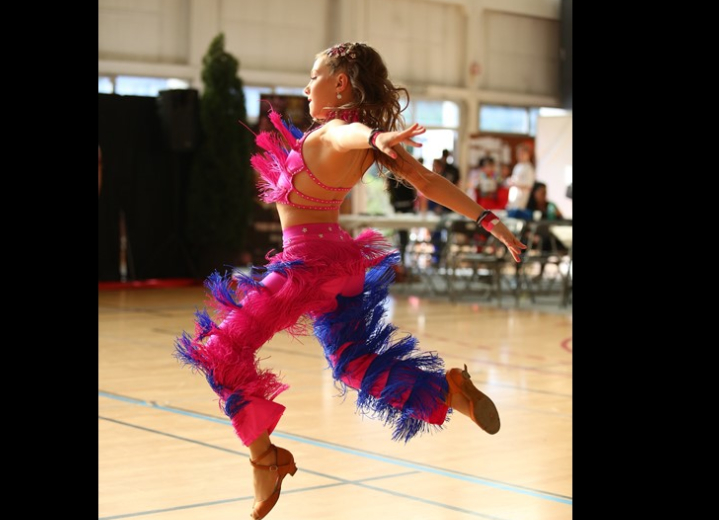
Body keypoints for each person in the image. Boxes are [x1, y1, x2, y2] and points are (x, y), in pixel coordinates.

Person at [174, 41, 526, 520]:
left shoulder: (336, 133)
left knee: (219, 350)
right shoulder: (343, 137)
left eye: (314, 75)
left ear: (340, 82)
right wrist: (489, 219)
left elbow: (350, 134)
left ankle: (265, 460)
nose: (306, 85)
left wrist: (374, 139)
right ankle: (449, 393)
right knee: (353, 363)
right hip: (343, 267)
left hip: (308, 267)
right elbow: (427, 183)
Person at [506, 143, 535, 218]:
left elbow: (529, 185)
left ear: (528, 154)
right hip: (512, 201)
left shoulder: (529, 168)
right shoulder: (517, 166)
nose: (520, 155)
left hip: (521, 203)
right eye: (519, 153)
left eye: (522, 153)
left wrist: (516, 183)